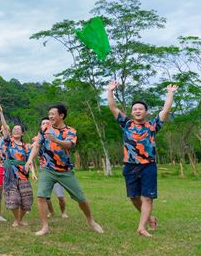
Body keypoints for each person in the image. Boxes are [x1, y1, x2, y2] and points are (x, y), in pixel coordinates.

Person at [107, 81, 178, 237]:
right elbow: (113, 107)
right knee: (133, 197)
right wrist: (110, 91)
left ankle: (141, 227)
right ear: (132, 112)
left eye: (141, 109)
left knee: (148, 197)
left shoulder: (153, 126)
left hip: (148, 166)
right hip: (130, 166)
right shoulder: (126, 124)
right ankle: (150, 218)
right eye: (135, 109)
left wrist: (170, 93)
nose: (138, 111)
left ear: (146, 112)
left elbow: (166, 110)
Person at [27, 104, 103, 236]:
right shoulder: (45, 128)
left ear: (61, 116)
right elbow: (37, 145)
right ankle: (45, 227)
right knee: (41, 196)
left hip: (65, 170)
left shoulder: (70, 131)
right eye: (49, 114)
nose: (50, 116)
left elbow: (69, 144)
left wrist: (55, 139)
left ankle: (91, 221)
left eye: (53, 114)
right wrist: (29, 160)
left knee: (80, 198)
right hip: (47, 169)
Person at [0, 104, 35, 227]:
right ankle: (16, 220)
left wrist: (33, 172)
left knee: (26, 200)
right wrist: (1, 112)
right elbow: (5, 128)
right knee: (14, 199)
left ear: (22, 133)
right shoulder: (8, 142)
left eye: (19, 129)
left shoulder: (27, 146)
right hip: (10, 175)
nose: (16, 130)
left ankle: (20, 218)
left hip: (23, 174)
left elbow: (30, 160)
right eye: (14, 129)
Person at [36, 118, 68, 219]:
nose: (45, 125)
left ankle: (63, 212)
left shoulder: (58, 136)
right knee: (45, 197)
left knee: (60, 197)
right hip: (45, 171)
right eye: (43, 123)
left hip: (58, 169)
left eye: (47, 123)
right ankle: (52, 212)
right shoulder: (38, 139)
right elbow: (34, 148)